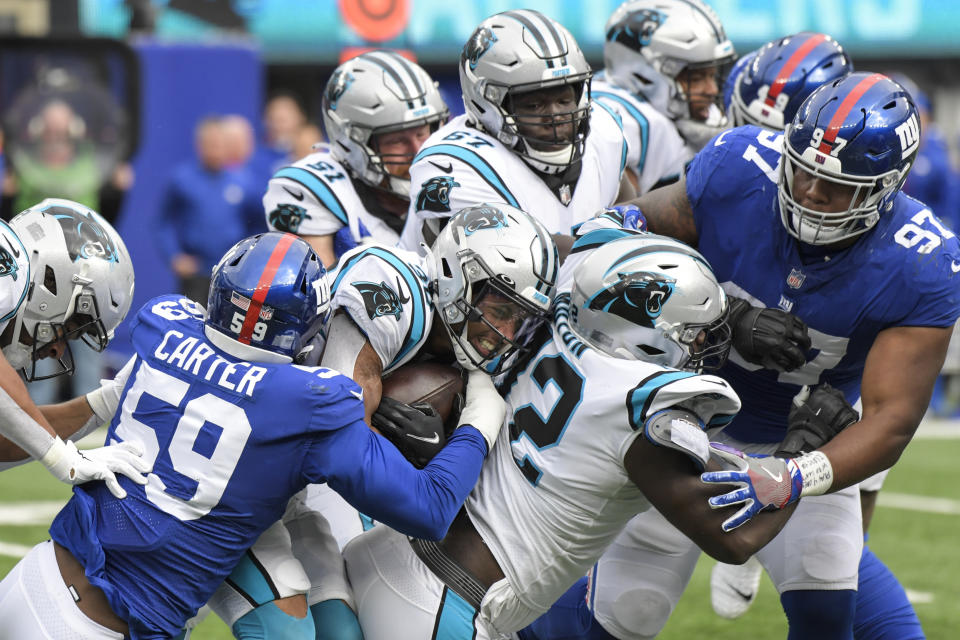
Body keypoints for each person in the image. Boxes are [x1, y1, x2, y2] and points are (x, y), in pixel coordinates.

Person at [559, 72, 959, 640]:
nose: (810, 194)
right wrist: (728, 317)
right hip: (681, 415)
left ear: (884, 190)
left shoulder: (920, 262)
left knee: (827, 605)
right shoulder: (740, 166)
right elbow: (619, 243)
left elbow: (892, 421)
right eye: (803, 171)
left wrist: (798, 472)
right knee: (629, 610)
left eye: (836, 187)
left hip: (803, 433)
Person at [340, 230, 854, 639]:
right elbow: (734, 538)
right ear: (652, 335)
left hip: (391, 554)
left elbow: (595, 233)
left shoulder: (556, 323)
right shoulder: (641, 404)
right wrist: (802, 449)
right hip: (448, 605)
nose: (701, 346)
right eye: (693, 333)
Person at [0, 230, 508, 640]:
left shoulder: (163, 325)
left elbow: (135, 388)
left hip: (34, 577)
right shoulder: (311, 402)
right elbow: (430, 507)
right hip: (108, 626)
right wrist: (480, 420)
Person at [206, 205, 559, 639]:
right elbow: (338, 430)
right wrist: (468, 434)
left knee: (342, 634)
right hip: (230, 476)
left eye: (519, 317)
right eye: (498, 306)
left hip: (293, 482)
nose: (505, 329)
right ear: (454, 275)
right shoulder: (391, 293)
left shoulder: (475, 345)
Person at [398, 9, 633, 252]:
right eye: (534, 105)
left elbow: (629, 213)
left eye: (564, 100)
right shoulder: (451, 163)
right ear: (486, 103)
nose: (556, 116)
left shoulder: (604, 133)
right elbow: (522, 257)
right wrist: (620, 251)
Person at [0, 198, 144, 497]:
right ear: (48, 287)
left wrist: (108, 400)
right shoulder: (6, 270)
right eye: (68, 329)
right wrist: (62, 460)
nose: (57, 350)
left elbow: (7, 438)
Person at [263, 50, 449, 266]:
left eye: (422, 133)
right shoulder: (313, 189)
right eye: (397, 141)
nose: (418, 151)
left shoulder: (460, 175)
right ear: (351, 141)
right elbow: (319, 294)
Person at [593, 0, 735, 195]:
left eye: (712, 74)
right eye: (696, 77)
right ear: (644, 73)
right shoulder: (625, 121)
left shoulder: (692, 112)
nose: (711, 90)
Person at [155, 116, 263, 304]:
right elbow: (163, 222)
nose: (214, 149)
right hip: (195, 274)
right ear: (199, 145)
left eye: (219, 143)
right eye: (209, 143)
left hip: (231, 275)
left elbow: (259, 224)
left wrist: (248, 259)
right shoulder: (182, 179)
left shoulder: (244, 182)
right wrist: (174, 256)